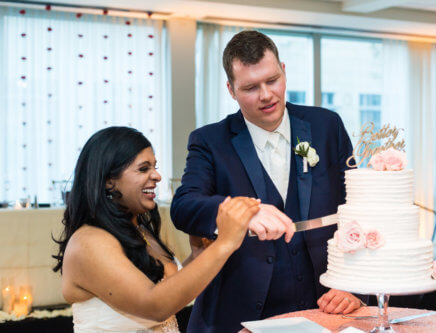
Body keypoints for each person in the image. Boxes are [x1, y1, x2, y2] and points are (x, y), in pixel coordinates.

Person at [171, 30, 366, 332]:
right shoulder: (209, 141)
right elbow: (184, 206)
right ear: (231, 90)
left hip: (325, 307)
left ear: (284, 71)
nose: (266, 95)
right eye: (250, 87)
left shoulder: (327, 126)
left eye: (272, 80)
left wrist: (353, 285)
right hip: (240, 314)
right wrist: (240, 211)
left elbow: (358, 209)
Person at [52, 126, 260, 332]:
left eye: (154, 167)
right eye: (144, 169)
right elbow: (155, 306)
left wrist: (198, 256)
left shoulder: (140, 229)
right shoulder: (89, 242)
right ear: (109, 182)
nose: (157, 176)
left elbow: (168, 290)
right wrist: (225, 243)